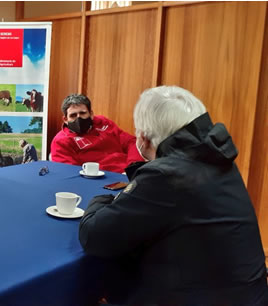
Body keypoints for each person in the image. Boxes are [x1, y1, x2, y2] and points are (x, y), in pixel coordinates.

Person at [79, 86, 268, 304]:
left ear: (144, 138)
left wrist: (100, 200)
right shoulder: (218, 158)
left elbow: (94, 236)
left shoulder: (165, 176)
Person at [50, 94, 142, 173]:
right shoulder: (61, 142)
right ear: (65, 119)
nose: (79, 118)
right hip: (102, 180)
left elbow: (131, 142)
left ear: (91, 114)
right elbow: (70, 173)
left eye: (83, 113)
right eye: (73, 115)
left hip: (129, 172)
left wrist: (134, 165)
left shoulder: (104, 123)